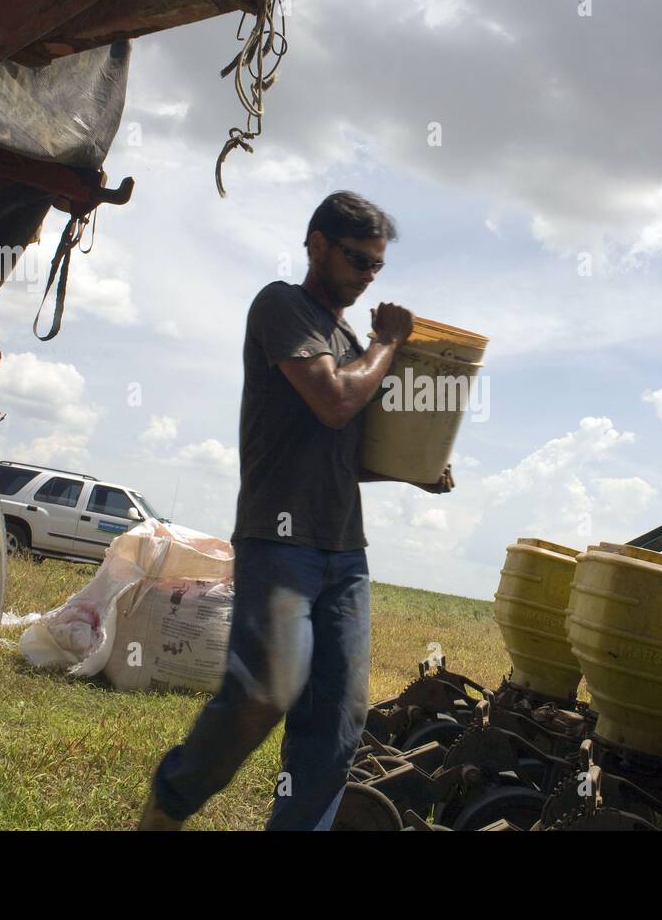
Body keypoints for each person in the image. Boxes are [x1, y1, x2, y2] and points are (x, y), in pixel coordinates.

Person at [139, 191, 454, 831]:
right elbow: (335, 401)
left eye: (376, 268)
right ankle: (169, 805)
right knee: (264, 692)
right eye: (358, 260)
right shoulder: (283, 306)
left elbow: (347, 449)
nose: (367, 277)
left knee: (337, 722)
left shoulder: (345, 338)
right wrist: (389, 343)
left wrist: (414, 471)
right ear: (316, 244)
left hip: (345, 551)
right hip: (279, 540)